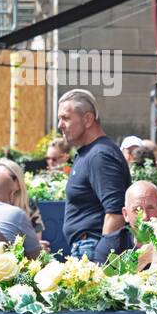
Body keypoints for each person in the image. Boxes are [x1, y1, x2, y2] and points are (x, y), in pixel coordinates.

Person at [57, 89, 130, 259]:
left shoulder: (100, 156)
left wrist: (101, 259)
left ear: (88, 119)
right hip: (85, 247)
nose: (60, 125)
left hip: (92, 249)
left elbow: (116, 212)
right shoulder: (90, 153)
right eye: (59, 119)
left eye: (66, 118)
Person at [90, 180, 157, 264]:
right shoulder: (110, 246)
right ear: (126, 214)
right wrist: (143, 259)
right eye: (137, 210)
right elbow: (101, 276)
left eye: (150, 207)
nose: (145, 216)